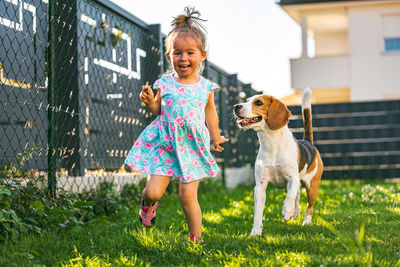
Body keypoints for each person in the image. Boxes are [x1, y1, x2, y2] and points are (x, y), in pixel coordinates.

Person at [125, 7, 228, 243]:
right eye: (177, 53)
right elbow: (158, 110)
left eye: (190, 53)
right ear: (169, 55)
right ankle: (147, 206)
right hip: (166, 143)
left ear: (202, 55)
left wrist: (216, 136)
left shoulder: (206, 87)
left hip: (192, 146)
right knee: (153, 191)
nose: (183, 58)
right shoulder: (165, 83)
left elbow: (210, 114)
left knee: (186, 195)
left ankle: (196, 237)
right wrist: (151, 101)